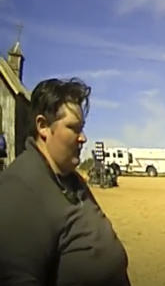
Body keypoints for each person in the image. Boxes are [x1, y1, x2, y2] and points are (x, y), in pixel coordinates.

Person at [0, 78, 130, 285]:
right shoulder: (19, 189)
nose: (83, 138)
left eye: (83, 128)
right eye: (74, 128)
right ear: (43, 126)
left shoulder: (69, 177)